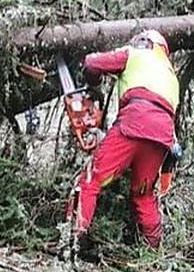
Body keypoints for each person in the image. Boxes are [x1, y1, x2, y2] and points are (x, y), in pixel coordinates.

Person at [74, 29, 180, 249]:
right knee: (144, 195)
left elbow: (92, 63)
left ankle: (75, 238)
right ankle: (154, 251)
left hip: (133, 125)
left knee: (91, 179)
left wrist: (92, 84)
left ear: (144, 42)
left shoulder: (135, 54)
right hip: (161, 138)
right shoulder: (172, 77)